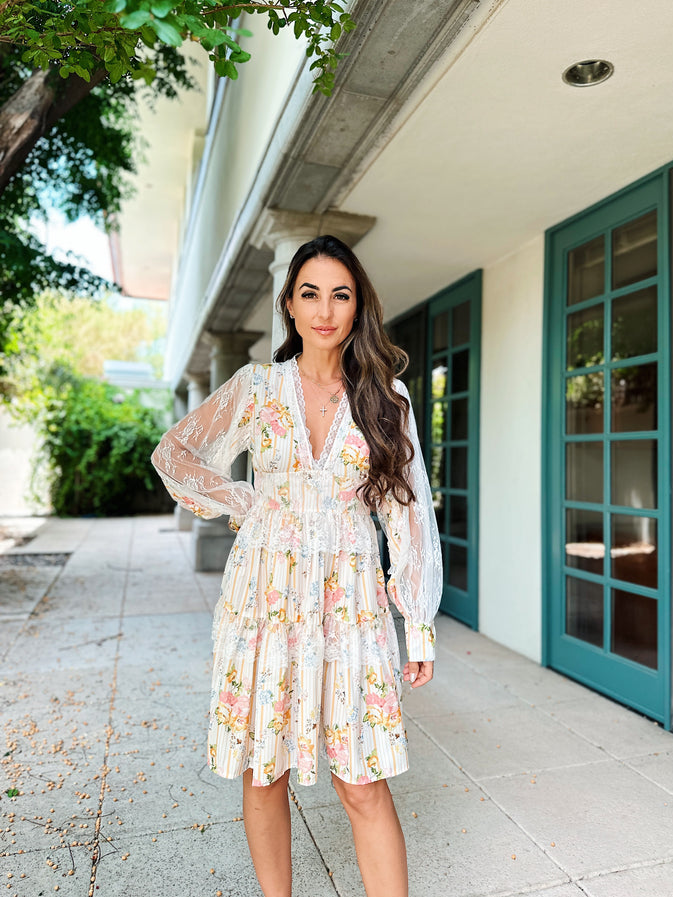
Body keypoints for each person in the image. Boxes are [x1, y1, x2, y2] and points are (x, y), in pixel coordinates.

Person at [151, 234, 443, 897]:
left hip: (351, 602)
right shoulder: (258, 388)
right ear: (289, 303)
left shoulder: (385, 397)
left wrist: (417, 622)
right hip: (267, 598)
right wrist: (243, 499)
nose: (325, 309)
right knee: (265, 769)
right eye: (310, 292)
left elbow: (409, 511)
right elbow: (177, 452)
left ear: (357, 304)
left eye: (340, 294)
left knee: (362, 778)